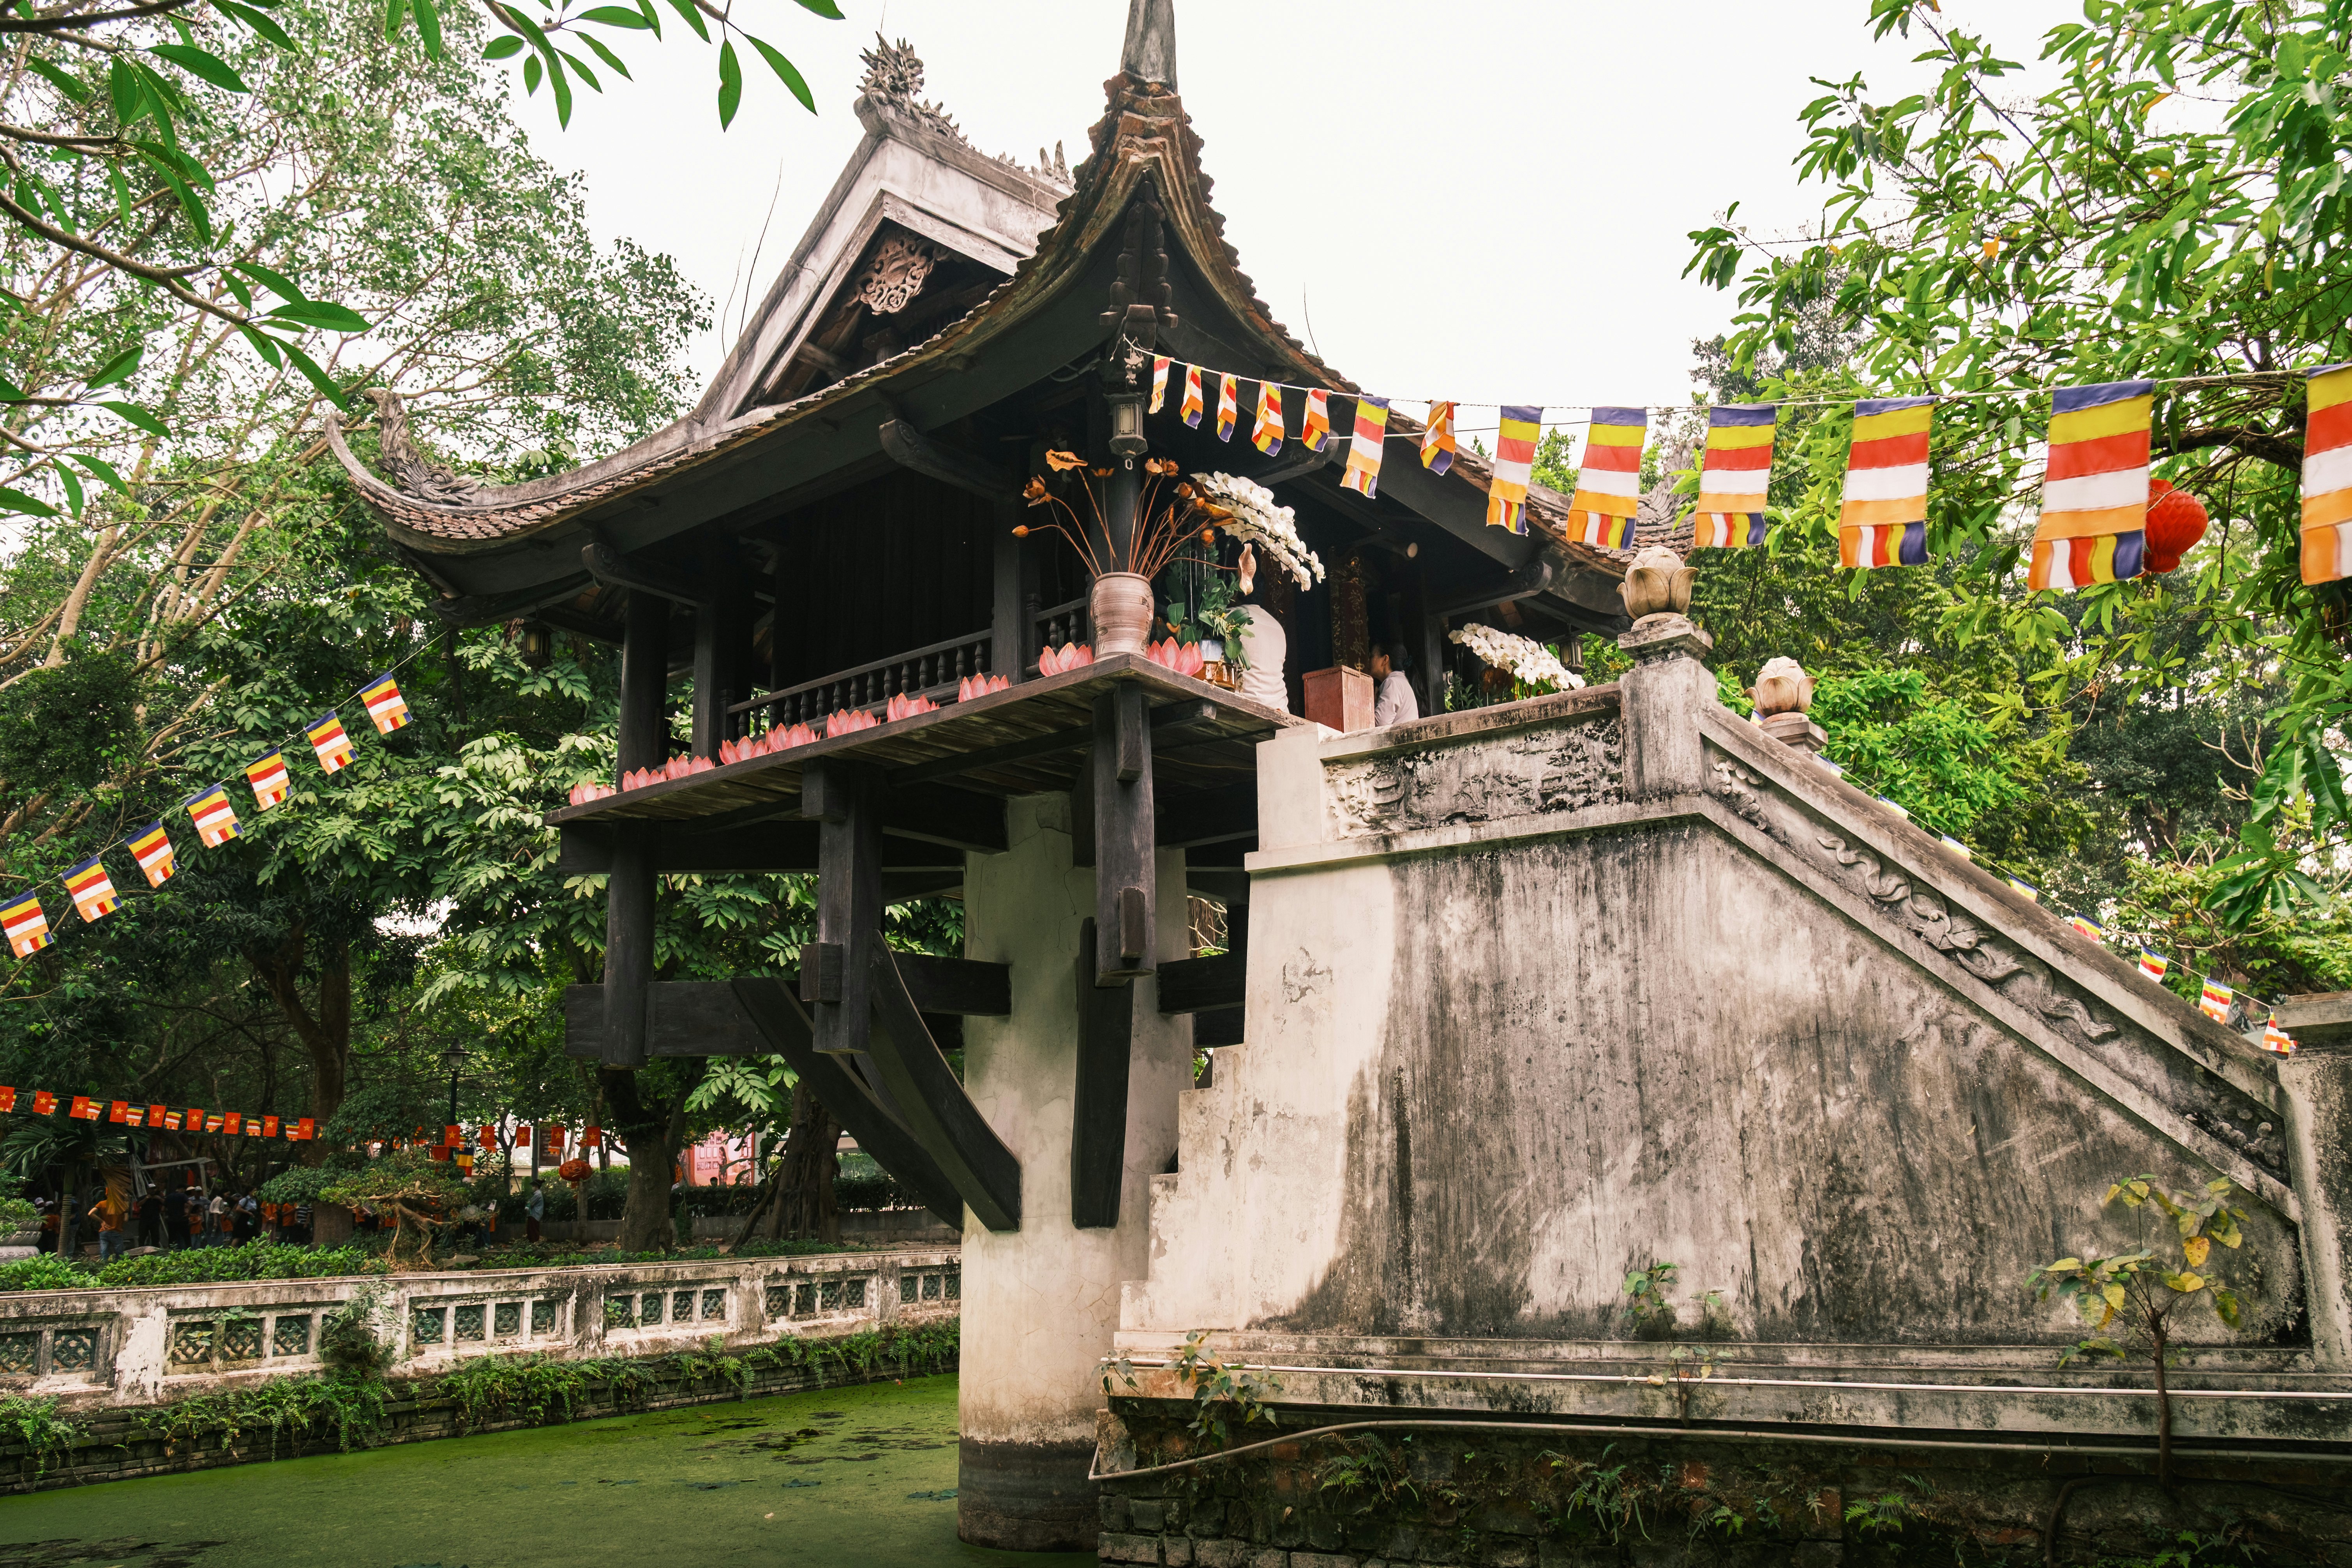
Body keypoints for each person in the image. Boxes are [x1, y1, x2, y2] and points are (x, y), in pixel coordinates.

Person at [1231, 545, 1290, 714]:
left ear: (1238, 588)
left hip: (1248, 709)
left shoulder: (1232, 617)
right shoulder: (1278, 628)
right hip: (1281, 709)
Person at [1371, 642, 1420, 728]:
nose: (1369, 660)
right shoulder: (1400, 681)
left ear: (1385, 660)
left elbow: (1380, 724)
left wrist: (1371, 704)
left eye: (1372, 656)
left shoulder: (1392, 683)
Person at [88, 1188, 128, 1263]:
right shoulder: (122, 1205)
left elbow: (90, 1214)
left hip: (104, 1231)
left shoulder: (101, 1204)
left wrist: (102, 1221)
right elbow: (126, 1220)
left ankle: (105, 1267)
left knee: (104, 1253)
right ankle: (119, 1268)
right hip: (116, 1231)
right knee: (119, 1254)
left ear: (107, 1194)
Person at [525, 1177, 545, 1243]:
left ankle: (534, 1242)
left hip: (534, 1214)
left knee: (533, 1230)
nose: (532, 1188)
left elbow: (531, 1203)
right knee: (533, 1229)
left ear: (536, 1187)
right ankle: (533, 1242)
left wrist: (527, 1207)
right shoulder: (538, 1194)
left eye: (533, 1186)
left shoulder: (537, 1194)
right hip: (535, 1214)